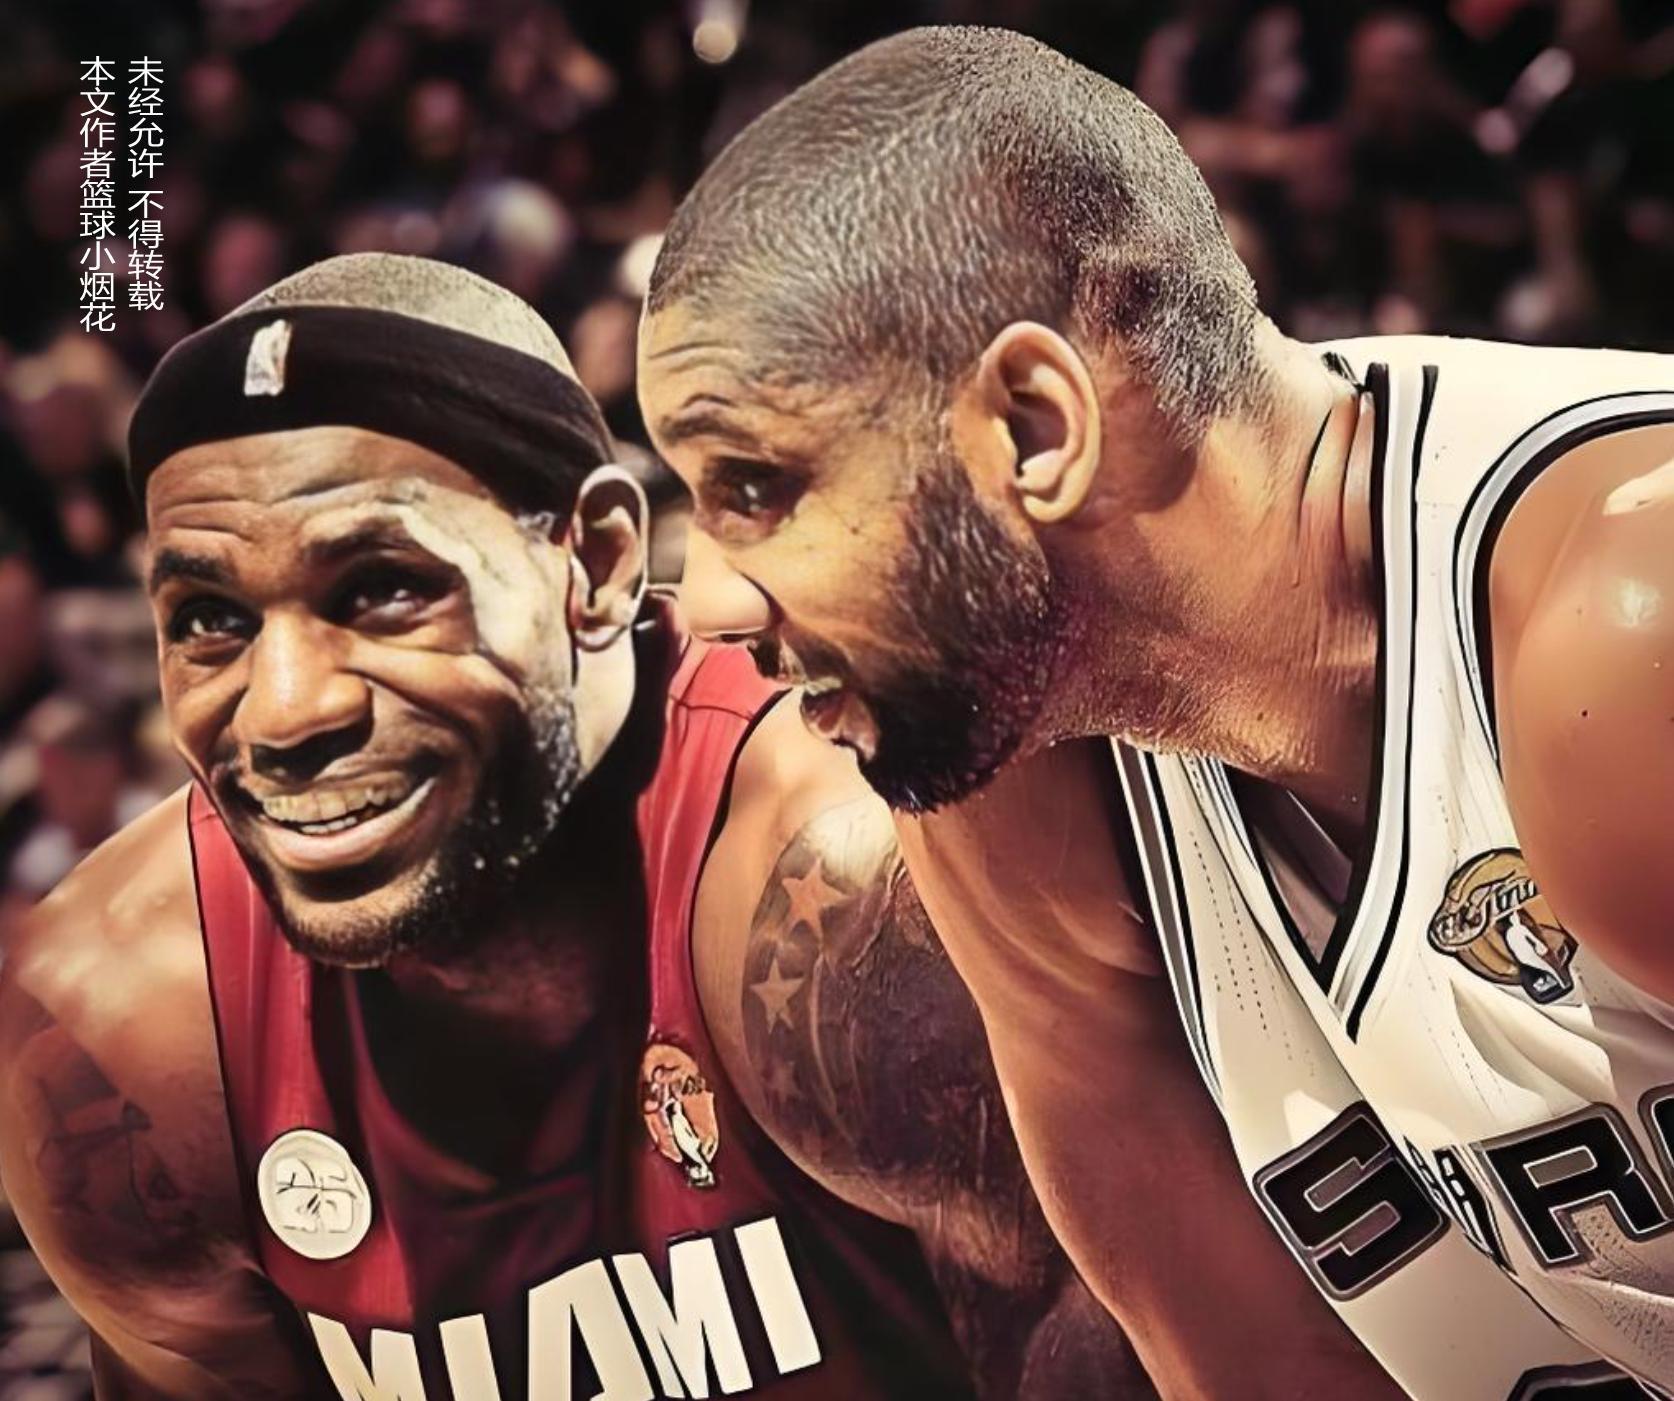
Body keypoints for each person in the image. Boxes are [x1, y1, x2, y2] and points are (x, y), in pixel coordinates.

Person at [637, 25, 1674, 1397]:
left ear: (1035, 428)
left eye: (756, 490)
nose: (706, 599)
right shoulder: (1007, 783)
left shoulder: (1627, 625)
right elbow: (1259, 1372)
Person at [0, 254, 1144, 1400]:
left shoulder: (846, 894)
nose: (287, 711)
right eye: (210, 619)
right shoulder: (117, 1026)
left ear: (596, 563)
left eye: (384, 589)